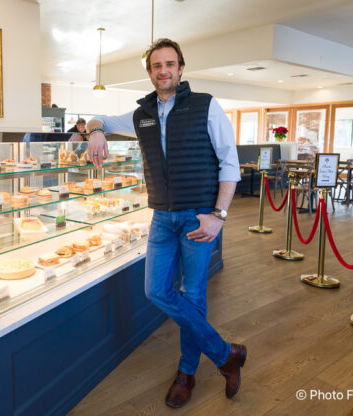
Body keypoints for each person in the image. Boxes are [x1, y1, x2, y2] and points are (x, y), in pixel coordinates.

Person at [86, 38, 245, 408]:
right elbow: (100, 119)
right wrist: (95, 130)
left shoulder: (206, 106)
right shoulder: (141, 113)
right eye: (157, 66)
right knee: (155, 291)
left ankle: (187, 372)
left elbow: (230, 165)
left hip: (198, 217)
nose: (164, 71)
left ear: (181, 68)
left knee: (194, 295)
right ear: (150, 72)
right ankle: (225, 355)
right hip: (160, 218)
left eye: (170, 64)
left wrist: (218, 216)